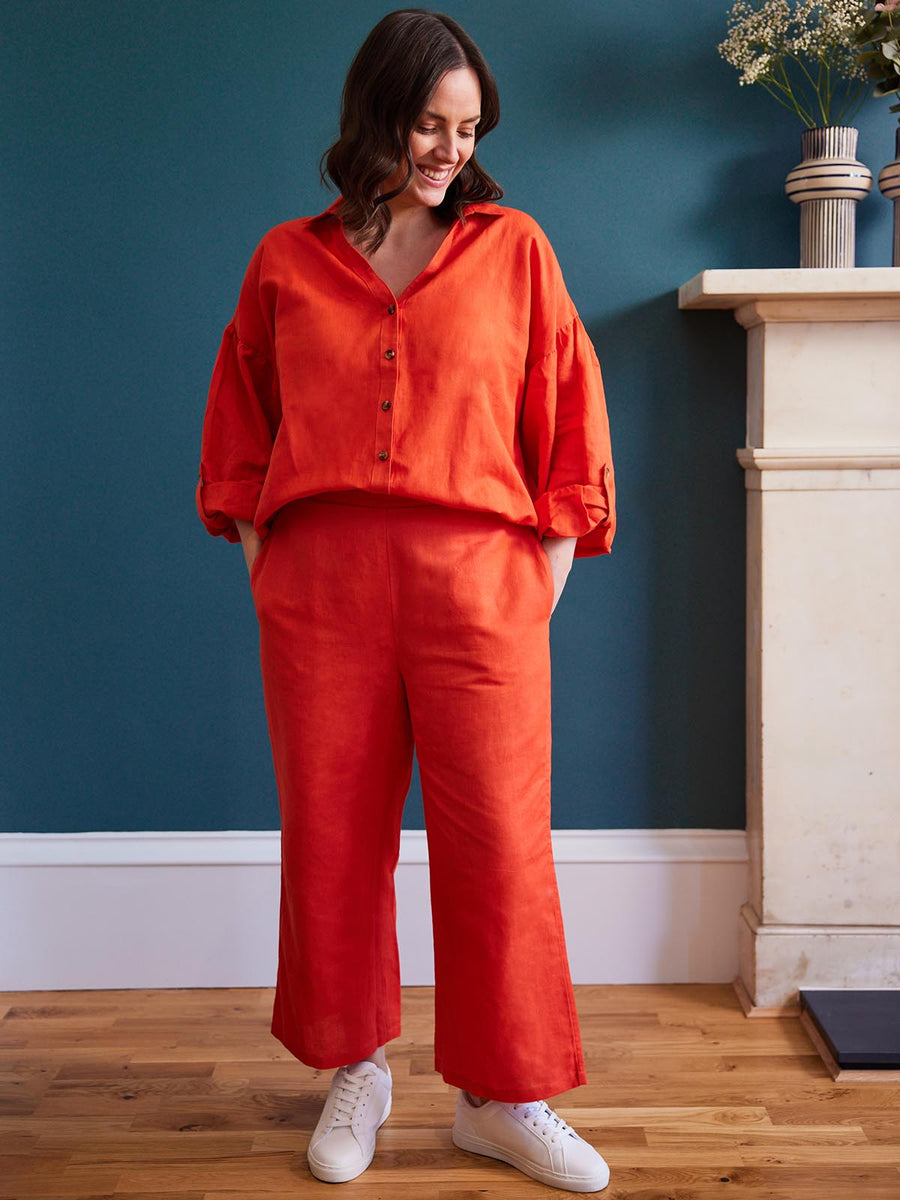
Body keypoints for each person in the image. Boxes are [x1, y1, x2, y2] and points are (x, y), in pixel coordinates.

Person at [195, 8, 615, 1193]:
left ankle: (503, 1098)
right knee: (333, 837)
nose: (447, 149)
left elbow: (569, 410)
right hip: (321, 590)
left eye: (467, 128)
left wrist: (540, 577)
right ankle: (357, 1071)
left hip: (480, 584)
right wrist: (269, 566)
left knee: (501, 843)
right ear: (375, 113)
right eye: (429, 122)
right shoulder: (286, 261)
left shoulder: (512, 249)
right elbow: (241, 426)